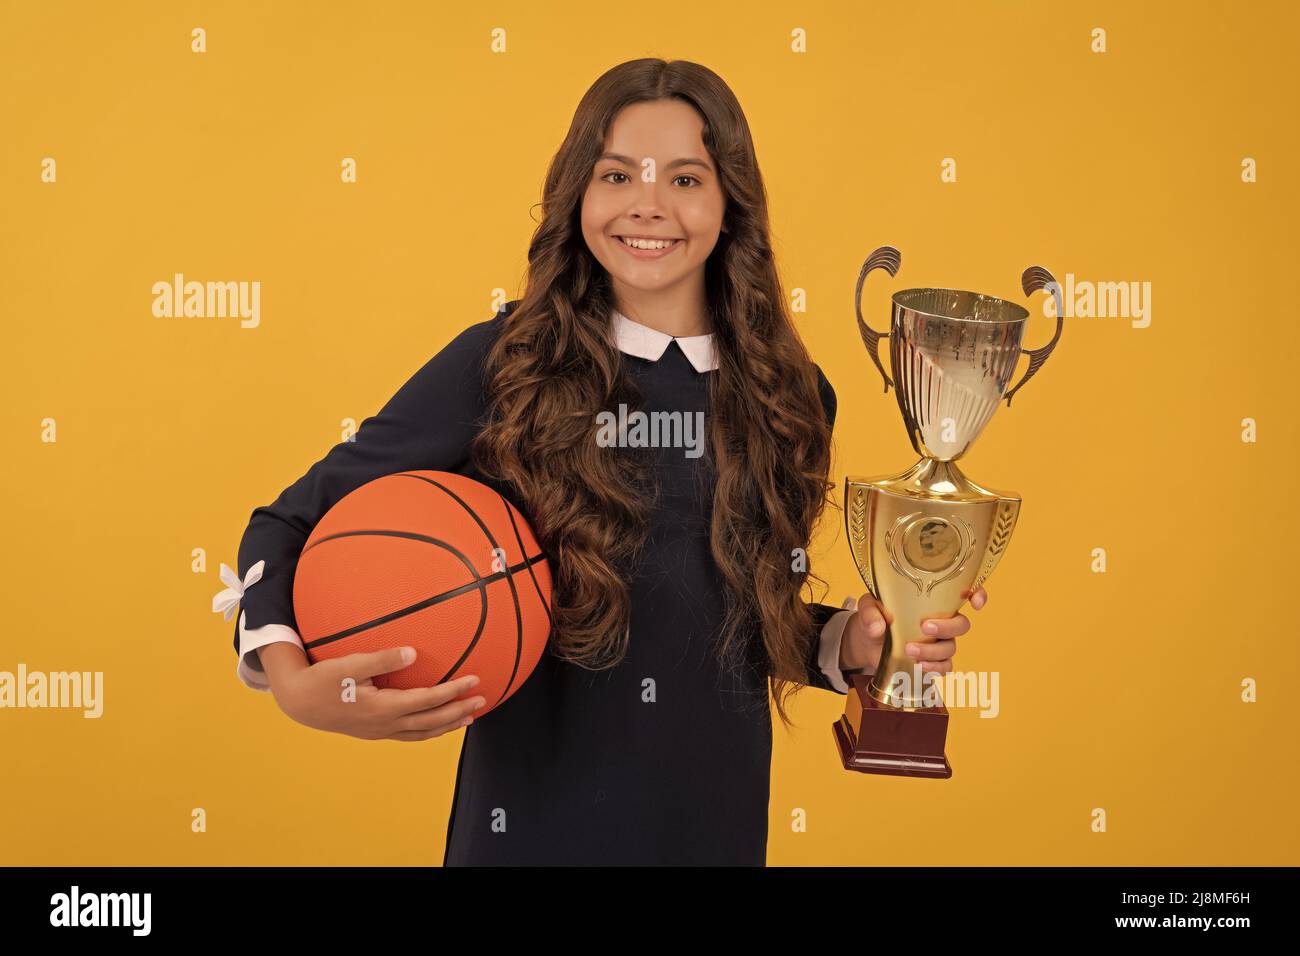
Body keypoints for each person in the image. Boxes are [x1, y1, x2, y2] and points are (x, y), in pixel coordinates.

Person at [222, 58, 987, 866]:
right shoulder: (505, 362)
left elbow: (741, 617)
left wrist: (856, 645)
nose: (648, 206)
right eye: (618, 174)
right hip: (528, 829)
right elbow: (288, 521)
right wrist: (297, 683)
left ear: (732, 203)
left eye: (686, 179)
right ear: (577, 195)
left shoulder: (791, 394)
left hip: (714, 826)